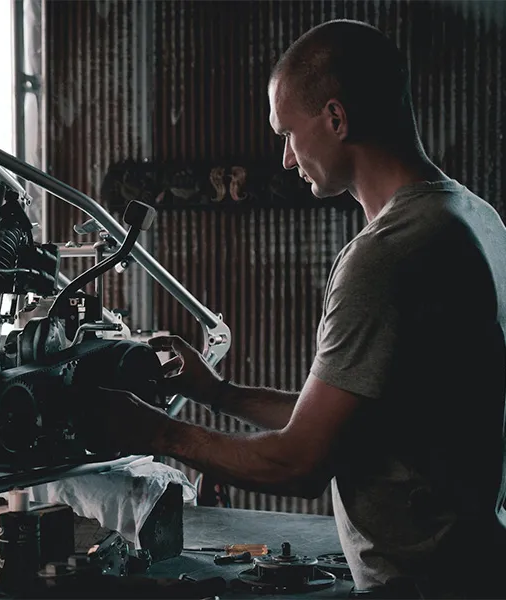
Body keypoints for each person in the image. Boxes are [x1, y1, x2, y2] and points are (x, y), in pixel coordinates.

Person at [79, 20, 506, 599]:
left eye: (287, 134)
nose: (284, 158)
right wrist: (217, 394)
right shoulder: (475, 218)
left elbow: (299, 463)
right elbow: (351, 422)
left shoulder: (389, 254)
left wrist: (153, 431)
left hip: (424, 582)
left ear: (335, 119)